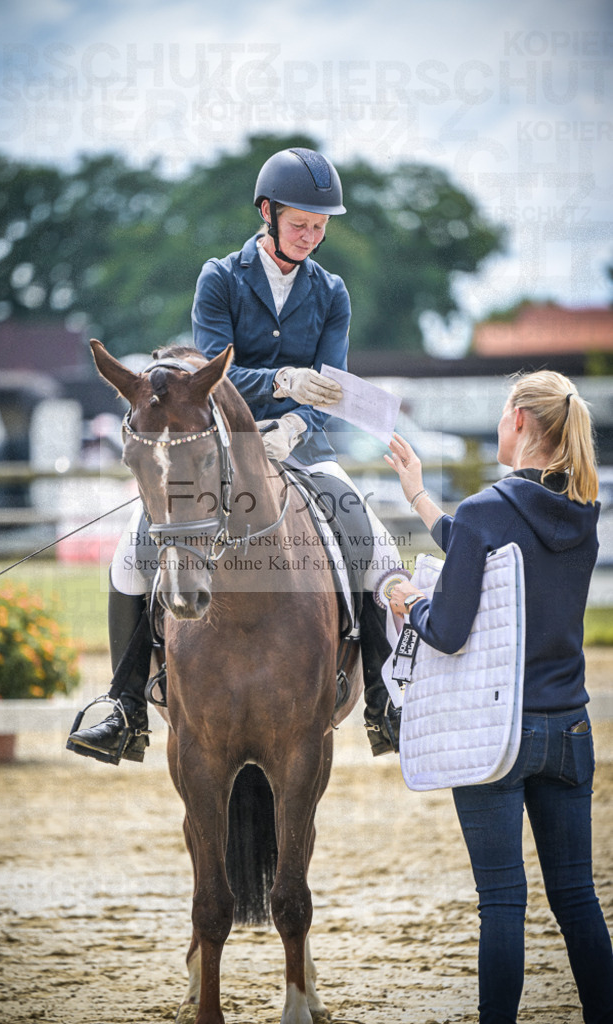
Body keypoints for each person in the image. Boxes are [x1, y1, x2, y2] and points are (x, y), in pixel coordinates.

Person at [67, 146, 403, 765]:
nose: (310, 237)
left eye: (320, 227)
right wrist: (281, 384)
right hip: (218, 447)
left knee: (370, 540)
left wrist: (298, 424)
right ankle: (124, 705)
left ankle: (383, 697)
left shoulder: (332, 292)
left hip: (302, 445)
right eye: (300, 224)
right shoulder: (220, 277)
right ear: (268, 213)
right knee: (131, 555)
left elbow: (332, 385)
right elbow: (205, 375)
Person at [385, 370, 613, 1024]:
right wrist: (420, 496)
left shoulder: (489, 509)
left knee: (502, 901)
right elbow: (476, 546)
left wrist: (410, 602)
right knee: (576, 900)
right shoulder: (582, 510)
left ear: (517, 419)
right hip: (569, 729)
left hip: (497, 733)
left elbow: (449, 632)